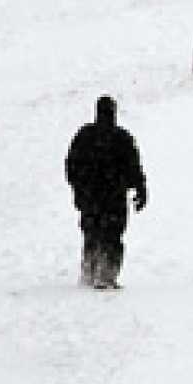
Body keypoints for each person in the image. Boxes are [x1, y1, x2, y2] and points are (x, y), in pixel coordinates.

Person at [65, 96, 147, 289]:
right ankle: (103, 274)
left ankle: (94, 271)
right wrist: (140, 188)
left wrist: (79, 188)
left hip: (97, 197)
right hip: (109, 198)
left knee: (96, 235)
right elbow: (133, 168)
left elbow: (71, 167)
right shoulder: (120, 139)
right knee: (108, 236)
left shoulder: (86, 137)